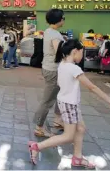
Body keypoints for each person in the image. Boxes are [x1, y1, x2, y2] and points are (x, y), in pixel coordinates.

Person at [28, 39, 110, 168]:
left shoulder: (62, 64)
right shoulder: (74, 69)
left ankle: (77, 158)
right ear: (74, 51)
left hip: (67, 102)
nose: (82, 56)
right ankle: (37, 146)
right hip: (69, 104)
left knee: (80, 129)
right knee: (68, 136)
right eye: (81, 52)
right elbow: (92, 87)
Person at [33, 9, 65, 137]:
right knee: (47, 100)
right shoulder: (55, 35)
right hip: (53, 70)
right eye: (63, 17)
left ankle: (58, 120)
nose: (64, 20)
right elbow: (59, 52)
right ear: (59, 19)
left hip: (48, 67)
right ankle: (39, 127)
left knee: (59, 95)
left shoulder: (48, 31)